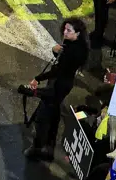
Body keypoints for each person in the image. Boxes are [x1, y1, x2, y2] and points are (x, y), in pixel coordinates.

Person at [21, 18, 91, 161]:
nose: (65, 32)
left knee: (43, 118)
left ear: (77, 33)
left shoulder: (74, 51)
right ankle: (49, 146)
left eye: (69, 30)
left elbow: (58, 70)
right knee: (54, 114)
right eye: (65, 29)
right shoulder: (74, 44)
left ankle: (38, 147)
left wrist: (38, 78)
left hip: (59, 84)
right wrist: (56, 51)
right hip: (62, 82)